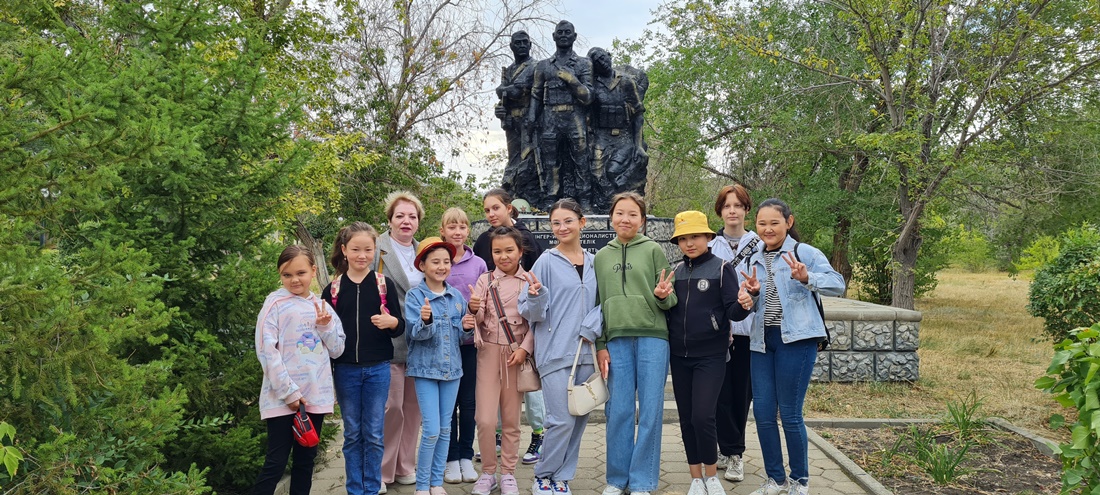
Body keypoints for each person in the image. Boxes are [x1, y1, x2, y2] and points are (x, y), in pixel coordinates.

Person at [736, 199, 845, 495]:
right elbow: (751, 301)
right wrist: (749, 297)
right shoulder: (752, 258)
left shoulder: (803, 252)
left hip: (796, 341)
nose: (768, 229)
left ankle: (800, 480)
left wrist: (807, 277)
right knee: (762, 413)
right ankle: (776, 479)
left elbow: (838, 284)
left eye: (775, 222)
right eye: (762, 223)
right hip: (762, 341)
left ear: (789, 222)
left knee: (790, 413)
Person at [594, 192, 677, 495]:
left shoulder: (653, 249)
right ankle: (617, 479)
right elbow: (596, 305)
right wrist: (600, 344)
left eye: (633, 214)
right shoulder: (601, 257)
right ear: (611, 217)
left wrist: (663, 295)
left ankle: (642, 481)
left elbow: (670, 296)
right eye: (620, 213)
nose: (625, 219)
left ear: (642, 220)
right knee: (618, 409)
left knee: (651, 410)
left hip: (653, 337)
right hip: (616, 340)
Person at [518, 198, 603, 495]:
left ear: (582, 222)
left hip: (586, 353)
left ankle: (562, 477)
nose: (562, 227)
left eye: (568, 221)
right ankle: (543, 475)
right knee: (560, 420)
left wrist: (591, 327)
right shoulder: (546, 261)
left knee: (578, 420)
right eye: (556, 223)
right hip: (554, 352)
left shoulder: (595, 262)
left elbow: (604, 303)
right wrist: (536, 296)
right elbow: (530, 312)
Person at [665, 211, 753, 495]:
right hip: (679, 356)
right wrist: (660, 297)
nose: (689, 243)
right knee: (687, 418)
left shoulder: (722, 268)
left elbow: (733, 312)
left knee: (704, 416)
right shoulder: (676, 271)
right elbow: (670, 311)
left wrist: (746, 302)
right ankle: (695, 479)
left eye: (695, 237)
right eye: (683, 239)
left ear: (708, 237)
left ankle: (712, 476)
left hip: (712, 356)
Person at [253, 246, 346, 495]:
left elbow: (338, 349)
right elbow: (266, 350)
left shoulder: (322, 307)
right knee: (276, 462)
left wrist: (325, 327)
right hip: (281, 398)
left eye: (301, 273)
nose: (294, 280)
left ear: (313, 271)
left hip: (314, 397)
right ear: (280, 275)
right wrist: (289, 392)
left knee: (306, 462)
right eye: (287, 275)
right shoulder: (274, 304)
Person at [323, 222, 406, 495]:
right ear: (344, 250)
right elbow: (325, 336)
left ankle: (371, 488)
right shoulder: (332, 290)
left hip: (378, 369)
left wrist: (392, 322)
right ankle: (354, 489)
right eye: (356, 249)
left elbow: (400, 326)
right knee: (352, 434)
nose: (362, 255)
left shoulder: (384, 284)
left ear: (375, 250)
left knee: (374, 433)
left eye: (368, 249)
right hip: (345, 370)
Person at [471, 188, 546, 463]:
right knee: (493, 407)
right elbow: (483, 282)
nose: (491, 214)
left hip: (521, 333)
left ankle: (538, 434)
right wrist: (475, 308)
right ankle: (496, 441)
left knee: (529, 389)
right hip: (493, 334)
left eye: (496, 208)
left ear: (509, 208)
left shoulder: (527, 238)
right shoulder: (483, 241)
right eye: (487, 210)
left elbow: (536, 281)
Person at [404, 237, 476, 495]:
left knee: (445, 429)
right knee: (432, 430)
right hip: (425, 370)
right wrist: (425, 321)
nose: (442, 266)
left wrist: (466, 327)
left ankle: (436, 483)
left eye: (446, 261)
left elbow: (461, 337)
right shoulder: (415, 296)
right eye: (435, 262)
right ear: (422, 265)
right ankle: (422, 485)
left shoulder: (456, 296)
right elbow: (414, 335)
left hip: (452, 370)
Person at [468, 227, 535, 495]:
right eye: (497, 251)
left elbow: (537, 321)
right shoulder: (484, 280)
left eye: (509, 250)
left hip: (515, 355)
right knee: (484, 419)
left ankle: (508, 473)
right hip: (487, 353)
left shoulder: (529, 281)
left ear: (520, 251)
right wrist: (474, 308)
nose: (503, 256)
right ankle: (488, 472)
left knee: (511, 419)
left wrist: (525, 349)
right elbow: (478, 318)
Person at [373, 191, 425, 491]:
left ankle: (405, 465)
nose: (406, 221)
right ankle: (381, 471)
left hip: (420, 341)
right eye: (400, 215)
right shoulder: (376, 249)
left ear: (418, 221)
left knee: (413, 408)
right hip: (388, 340)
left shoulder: (424, 249)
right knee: (391, 407)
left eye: (412, 216)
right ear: (390, 219)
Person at [707, 184, 760, 482]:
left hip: (750, 333)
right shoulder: (711, 245)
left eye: (738, 205)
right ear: (720, 211)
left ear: (746, 210)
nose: (732, 211)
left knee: (741, 395)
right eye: (727, 206)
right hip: (719, 333)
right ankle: (724, 447)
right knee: (719, 394)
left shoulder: (759, 244)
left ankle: (735, 453)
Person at [526, 20, 595, 211]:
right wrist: (531, 118)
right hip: (550, 117)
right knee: (550, 161)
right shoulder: (543, 66)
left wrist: (573, 80)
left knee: (581, 159)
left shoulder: (584, 64)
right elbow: (536, 95)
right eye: (560, 32)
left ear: (574, 37)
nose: (564, 35)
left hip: (574, 116)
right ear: (554, 36)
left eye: (567, 32)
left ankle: (585, 200)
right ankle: (551, 198)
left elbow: (588, 97)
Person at [441, 208, 488, 484]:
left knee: (468, 402)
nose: (457, 232)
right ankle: (450, 458)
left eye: (462, 227)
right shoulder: (439, 260)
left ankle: (466, 456)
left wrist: (476, 309)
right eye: (451, 227)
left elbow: (486, 300)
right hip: (444, 344)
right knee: (448, 404)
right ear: (443, 231)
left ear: (468, 230)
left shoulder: (478, 263)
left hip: (471, 343)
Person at [587, 47, 646, 208]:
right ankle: (605, 206)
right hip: (601, 136)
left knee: (613, 171)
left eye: (603, 57)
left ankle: (621, 205)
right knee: (596, 173)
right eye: (596, 62)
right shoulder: (593, 85)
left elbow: (638, 115)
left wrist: (639, 145)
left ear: (609, 55)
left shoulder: (626, 82)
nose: (602, 63)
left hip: (623, 137)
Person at [495, 31, 539, 206]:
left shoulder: (535, 67)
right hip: (512, 122)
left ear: (530, 45)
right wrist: (500, 110)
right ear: (511, 46)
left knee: (529, 159)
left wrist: (507, 90)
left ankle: (530, 199)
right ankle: (510, 195)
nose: (521, 46)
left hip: (530, 121)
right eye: (518, 43)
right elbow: (504, 95)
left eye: (524, 42)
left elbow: (516, 91)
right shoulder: (509, 70)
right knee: (513, 159)